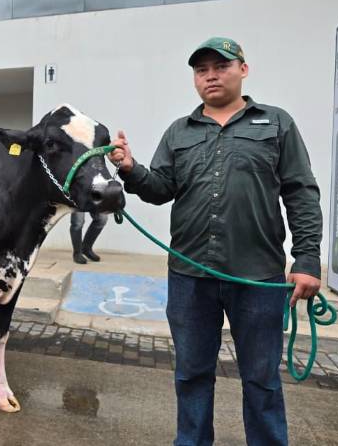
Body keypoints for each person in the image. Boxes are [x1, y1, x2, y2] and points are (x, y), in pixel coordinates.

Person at [108, 38, 321, 446]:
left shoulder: (276, 123)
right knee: (191, 374)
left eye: (220, 66)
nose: (210, 75)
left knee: (261, 380)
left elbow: (301, 192)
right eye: (201, 69)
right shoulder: (179, 131)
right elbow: (161, 188)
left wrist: (307, 258)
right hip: (191, 276)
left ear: (243, 69)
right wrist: (132, 169)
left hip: (258, 278)